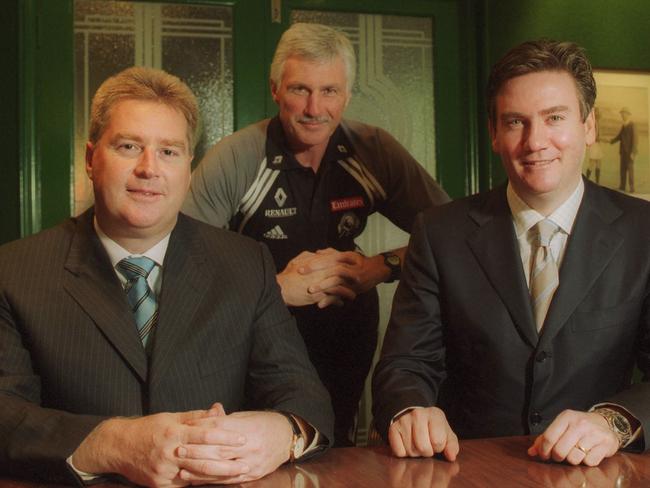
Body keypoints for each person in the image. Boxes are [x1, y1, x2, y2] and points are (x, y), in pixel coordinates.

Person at [0, 67, 333, 486]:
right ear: (90, 159)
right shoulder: (14, 272)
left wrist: (281, 433)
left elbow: (305, 396)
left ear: (189, 170)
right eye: (128, 146)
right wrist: (113, 444)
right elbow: (5, 415)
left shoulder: (246, 264)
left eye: (169, 152)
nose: (149, 169)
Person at [372, 39, 650, 467]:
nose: (535, 141)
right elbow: (406, 363)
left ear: (588, 126)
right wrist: (410, 410)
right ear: (494, 133)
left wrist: (612, 423)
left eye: (554, 118)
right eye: (516, 122)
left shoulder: (643, 231)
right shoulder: (440, 232)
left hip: (600, 472)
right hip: (467, 469)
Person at [183, 23, 449, 446]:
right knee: (256, 449)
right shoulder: (237, 157)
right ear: (274, 90)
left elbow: (450, 235)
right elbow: (180, 262)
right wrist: (273, 291)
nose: (314, 107)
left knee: (334, 446)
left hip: (347, 333)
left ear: (347, 93)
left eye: (329, 91)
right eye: (299, 89)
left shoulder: (373, 150)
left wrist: (379, 267)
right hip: (256, 339)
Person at [610, 107, 638, 192]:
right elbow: (619, 136)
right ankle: (622, 186)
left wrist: (633, 153)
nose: (622, 115)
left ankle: (632, 188)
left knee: (630, 171)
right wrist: (611, 141)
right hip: (623, 152)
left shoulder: (632, 125)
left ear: (628, 114)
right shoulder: (624, 125)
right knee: (622, 170)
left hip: (630, 153)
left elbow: (635, 140)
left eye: (623, 114)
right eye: (621, 114)